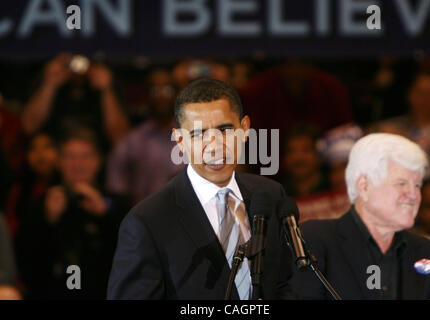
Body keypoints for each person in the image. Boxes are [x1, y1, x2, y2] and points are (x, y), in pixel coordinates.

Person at [107, 78, 294, 299]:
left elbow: (286, 285)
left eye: (224, 130)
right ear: (179, 140)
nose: (214, 146)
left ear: (244, 129)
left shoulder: (271, 196)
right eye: (198, 134)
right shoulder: (147, 222)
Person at [293, 133, 430, 299]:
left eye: (417, 185)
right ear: (364, 186)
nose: (413, 195)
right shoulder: (312, 241)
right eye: (401, 183)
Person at [15, 128, 128, 299]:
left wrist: (105, 216)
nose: (78, 164)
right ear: (59, 162)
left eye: (86, 156)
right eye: (70, 157)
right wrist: (48, 221)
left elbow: (131, 260)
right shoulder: (39, 206)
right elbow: (25, 262)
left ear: (98, 161)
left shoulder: (116, 206)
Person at [21, 53, 129, 152]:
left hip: (96, 158)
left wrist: (107, 90)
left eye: (84, 57)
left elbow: (120, 137)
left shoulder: (106, 82)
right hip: (55, 159)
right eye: (73, 58)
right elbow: (29, 126)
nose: (78, 65)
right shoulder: (49, 79)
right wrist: (49, 85)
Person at [106, 68, 184, 204]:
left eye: (167, 90)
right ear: (146, 96)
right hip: (142, 217)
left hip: (188, 217)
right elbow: (116, 186)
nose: (161, 96)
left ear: (177, 95)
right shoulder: (132, 141)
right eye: (155, 91)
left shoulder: (194, 138)